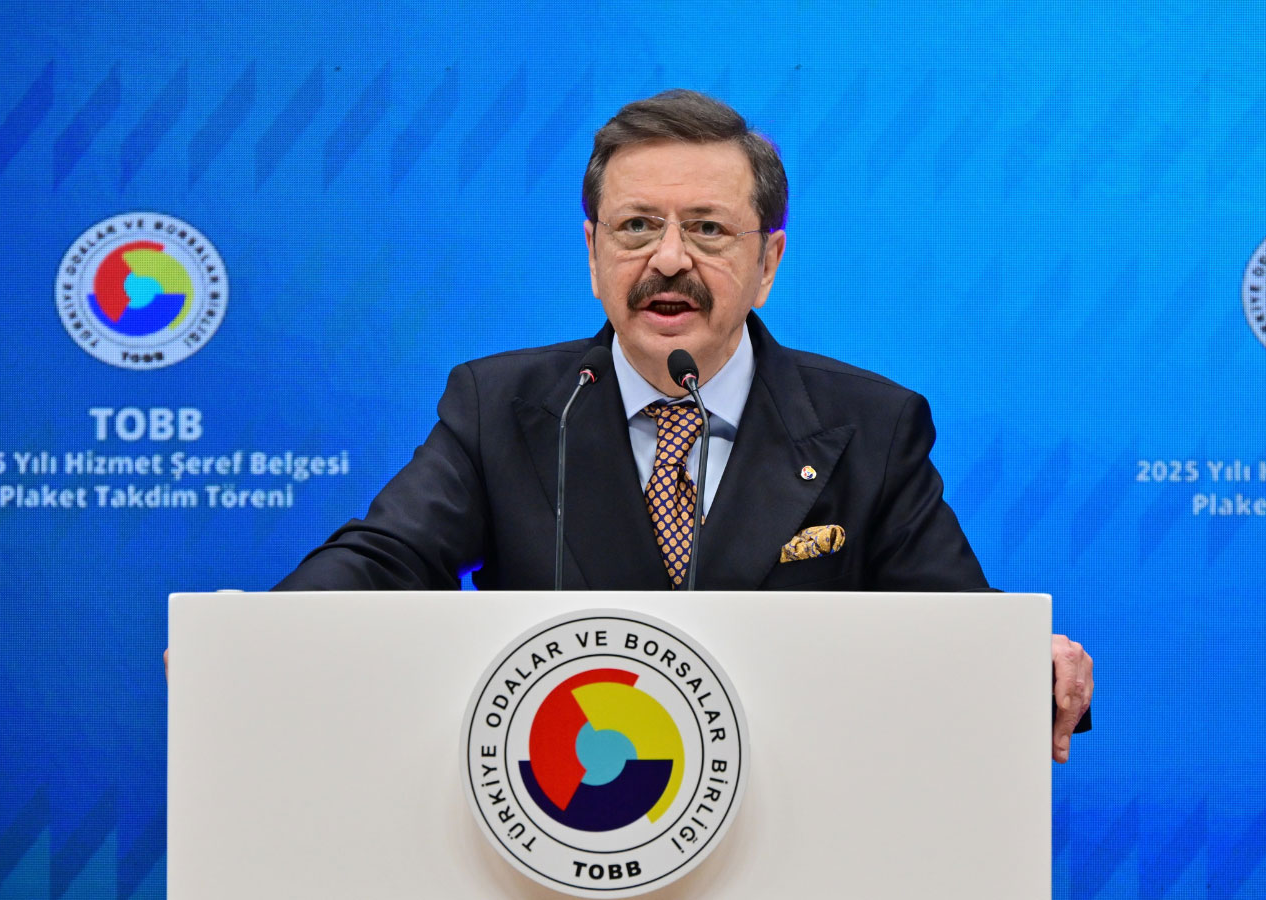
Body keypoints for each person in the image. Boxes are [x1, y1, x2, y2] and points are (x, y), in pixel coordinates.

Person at [178, 89, 1093, 759]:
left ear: (769, 262)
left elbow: (951, 625)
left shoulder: (869, 424)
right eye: (636, 227)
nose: (668, 259)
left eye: (708, 230)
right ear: (592, 252)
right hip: (559, 820)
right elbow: (389, 557)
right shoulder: (503, 406)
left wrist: (1024, 664)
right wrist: (262, 640)